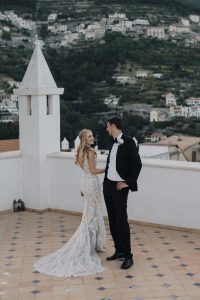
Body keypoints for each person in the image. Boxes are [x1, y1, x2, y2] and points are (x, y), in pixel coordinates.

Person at [34, 129, 106, 277]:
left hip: (84, 182)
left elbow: (85, 171)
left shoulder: (79, 151)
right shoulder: (90, 152)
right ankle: (88, 246)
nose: (92, 138)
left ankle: (91, 245)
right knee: (92, 214)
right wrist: (107, 168)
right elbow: (92, 170)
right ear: (85, 139)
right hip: (92, 183)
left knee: (89, 213)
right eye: (90, 136)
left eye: (92, 135)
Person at [103, 117, 142, 270]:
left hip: (120, 187)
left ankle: (128, 256)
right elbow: (111, 164)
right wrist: (106, 182)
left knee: (121, 221)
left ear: (113, 126)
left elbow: (137, 164)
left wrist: (128, 183)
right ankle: (119, 250)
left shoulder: (128, 141)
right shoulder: (112, 143)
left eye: (108, 126)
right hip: (108, 186)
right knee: (112, 220)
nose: (106, 129)